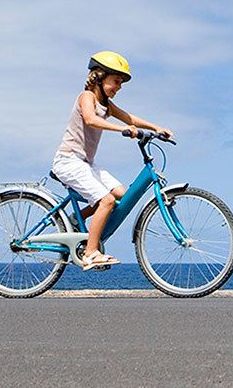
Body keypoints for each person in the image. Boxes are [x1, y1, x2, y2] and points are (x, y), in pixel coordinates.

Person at [51, 51, 174, 270]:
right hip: (68, 161)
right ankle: (90, 252)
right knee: (106, 201)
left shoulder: (106, 104)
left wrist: (155, 127)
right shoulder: (86, 96)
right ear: (99, 76)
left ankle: (72, 219)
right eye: (116, 81)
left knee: (122, 197)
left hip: (85, 163)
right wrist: (122, 129)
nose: (118, 87)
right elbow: (90, 118)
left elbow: (129, 117)